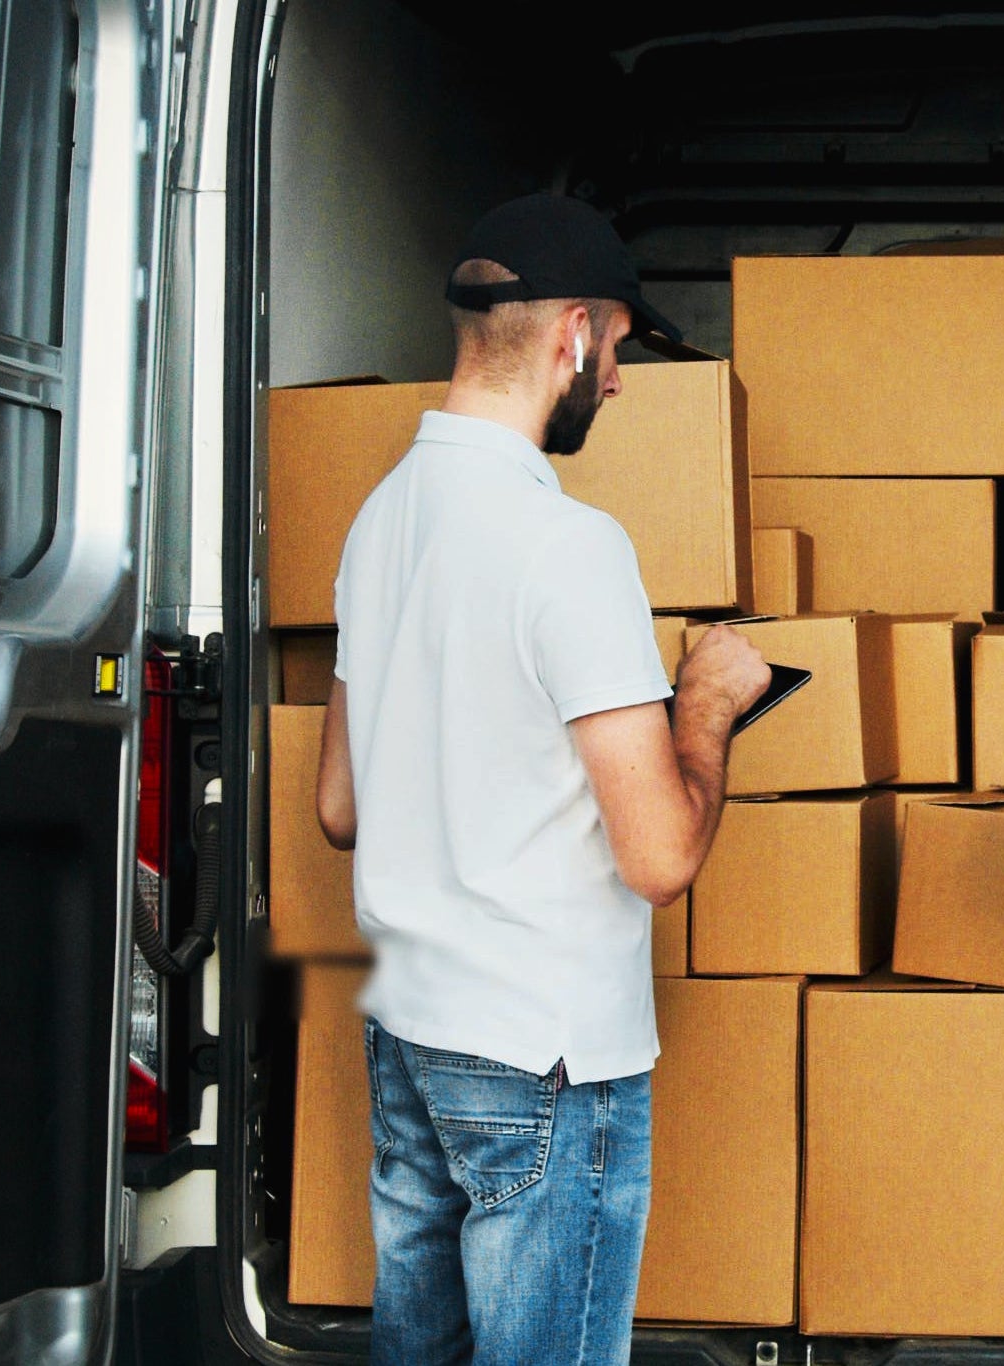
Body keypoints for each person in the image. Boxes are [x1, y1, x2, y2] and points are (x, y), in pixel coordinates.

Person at [312, 193, 769, 1366]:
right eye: (616, 346)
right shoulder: (569, 546)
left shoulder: (378, 521)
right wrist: (707, 703)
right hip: (542, 1053)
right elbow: (661, 857)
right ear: (572, 332)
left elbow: (339, 806)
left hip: (412, 1028)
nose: (616, 380)